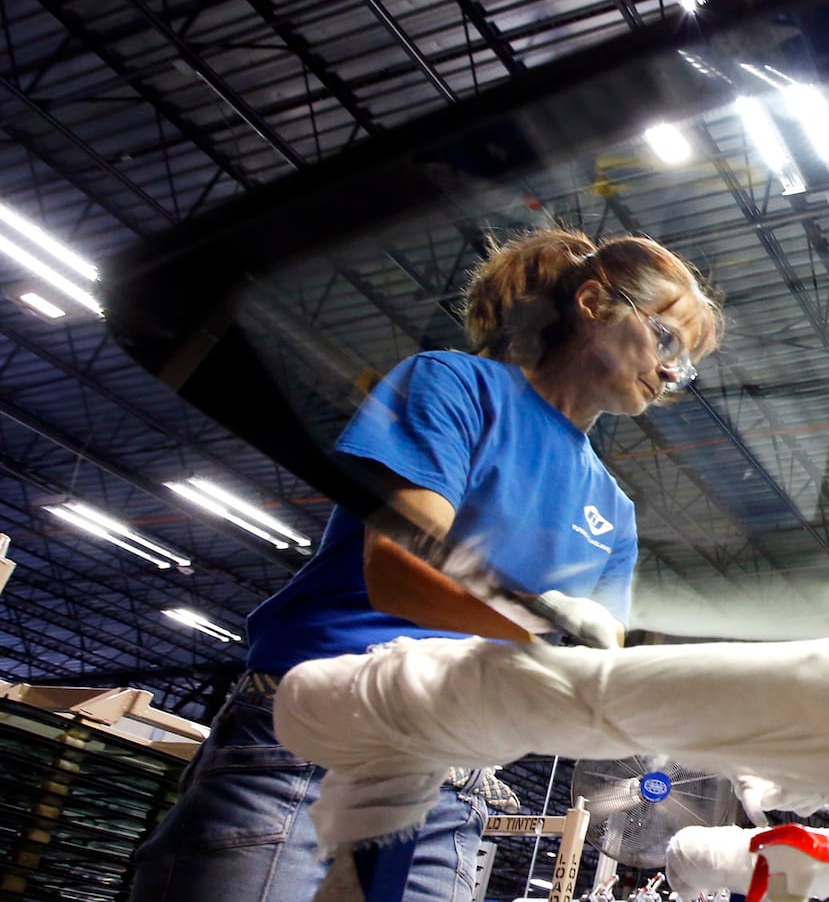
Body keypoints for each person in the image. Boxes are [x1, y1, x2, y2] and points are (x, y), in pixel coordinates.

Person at [129, 228, 723, 901]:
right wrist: (549, 628)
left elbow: (600, 671)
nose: (672, 374)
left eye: (687, 366)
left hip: (452, 780)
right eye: (667, 341)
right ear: (594, 302)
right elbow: (401, 567)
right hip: (321, 732)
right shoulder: (455, 386)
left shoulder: (613, 510)